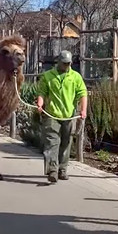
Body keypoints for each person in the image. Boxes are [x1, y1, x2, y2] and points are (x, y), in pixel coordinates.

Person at [36, 50, 88, 183]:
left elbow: (83, 94)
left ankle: (62, 170)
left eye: (69, 63)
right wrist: (40, 105)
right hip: (52, 115)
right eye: (64, 63)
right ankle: (52, 170)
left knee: (66, 143)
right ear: (58, 62)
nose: (67, 66)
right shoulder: (48, 76)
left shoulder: (76, 77)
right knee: (52, 143)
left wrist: (83, 110)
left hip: (69, 116)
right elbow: (42, 92)